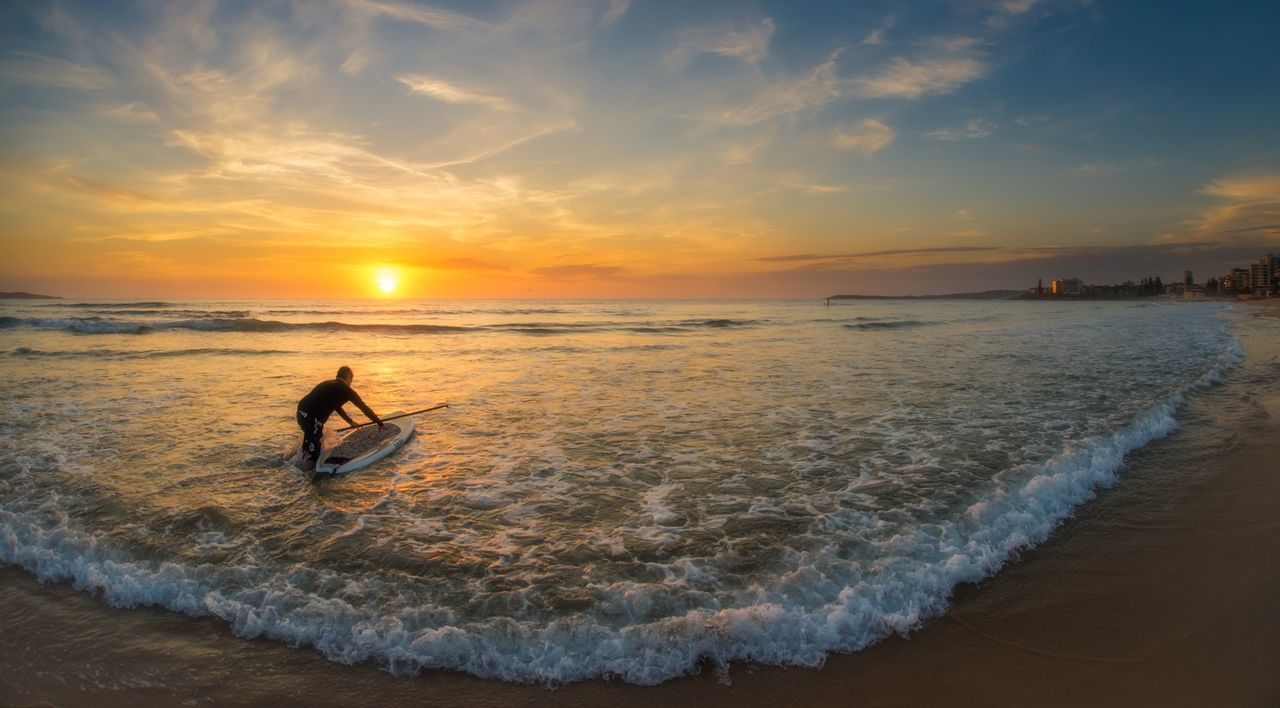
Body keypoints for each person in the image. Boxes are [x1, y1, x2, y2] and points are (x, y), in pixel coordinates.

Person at [296, 366, 383, 473]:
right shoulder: (346, 390)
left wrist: (350, 422)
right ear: (349, 377)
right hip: (311, 417)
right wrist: (380, 423)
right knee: (312, 454)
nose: (351, 383)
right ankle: (306, 482)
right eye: (351, 380)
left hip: (301, 413)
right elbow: (364, 408)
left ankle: (300, 467)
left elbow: (336, 406)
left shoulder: (330, 384)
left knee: (316, 442)